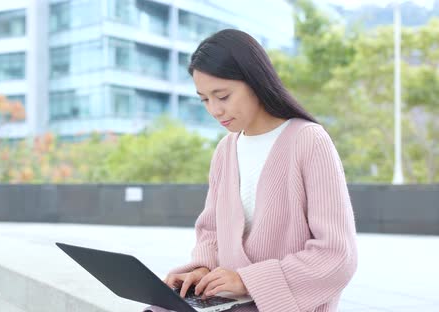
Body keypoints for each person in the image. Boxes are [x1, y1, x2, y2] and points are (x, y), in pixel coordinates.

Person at [143, 29, 358, 312]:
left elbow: (337, 255)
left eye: (223, 96)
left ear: (255, 82)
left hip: (283, 304)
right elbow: (210, 231)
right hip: (230, 302)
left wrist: (248, 281)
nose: (215, 110)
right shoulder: (225, 150)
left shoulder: (308, 140)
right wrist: (202, 270)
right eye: (204, 99)